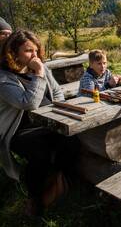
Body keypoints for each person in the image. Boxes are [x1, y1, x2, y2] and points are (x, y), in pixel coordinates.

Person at [0, 30, 79, 216]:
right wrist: (39, 73)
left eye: (36, 50)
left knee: (72, 140)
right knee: (39, 154)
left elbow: (57, 93)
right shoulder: (3, 78)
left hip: (48, 123)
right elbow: (29, 102)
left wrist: (59, 112)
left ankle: (57, 178)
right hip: (19, 130)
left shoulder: (40, 67)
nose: (34, 55)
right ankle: (35, 197)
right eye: (28, 51)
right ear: (13, 53)